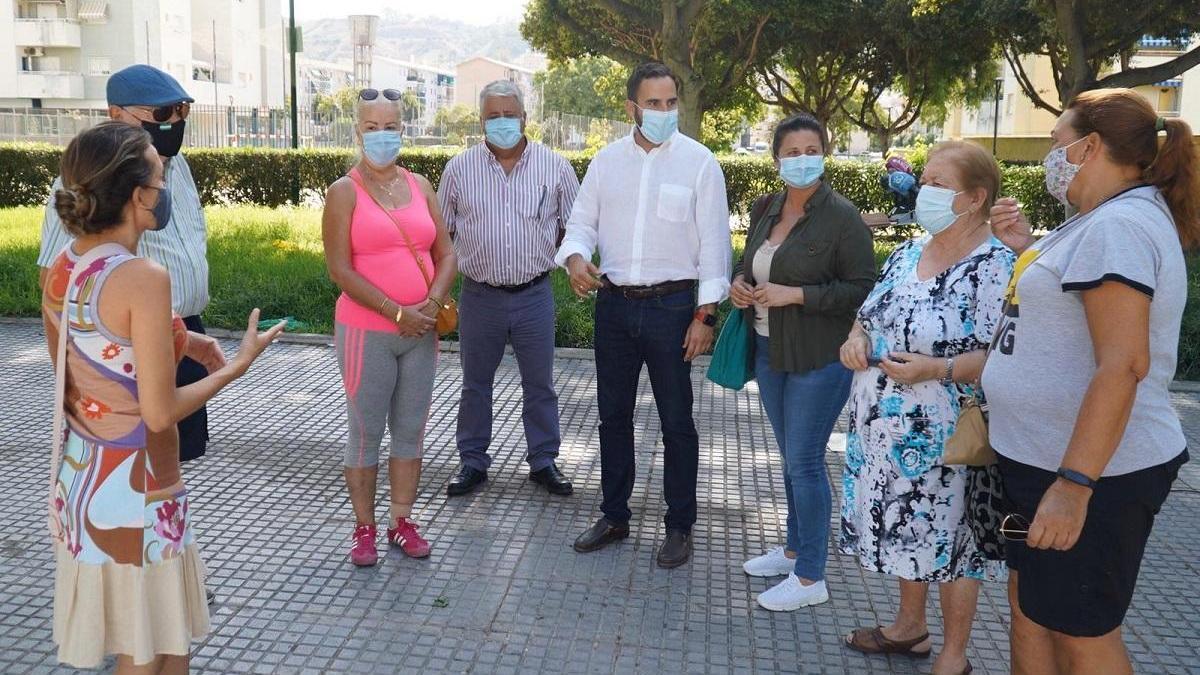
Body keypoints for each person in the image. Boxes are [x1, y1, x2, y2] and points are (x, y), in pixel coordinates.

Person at [43, 121, 282, 673]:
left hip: (86, 479)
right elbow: (160, 410)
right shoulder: (144, 277)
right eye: (158, 170)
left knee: (165, 646)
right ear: (136, 195)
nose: (165, 178)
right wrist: (239, 366)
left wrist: (182, 338)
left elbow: (84, 360)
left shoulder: (66, 266)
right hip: (140, 489)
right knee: (147, 655)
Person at [982, 89, 1195, 675]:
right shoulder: (1098, 222)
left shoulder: (1120, 227)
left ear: (1090, 146)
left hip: (1092, 472)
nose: (1051, 156)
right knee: (1034, 614)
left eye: (1056, 143)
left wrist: (1075, 486)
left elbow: (1124, 363)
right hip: (1041, 460)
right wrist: (1028, 247)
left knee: (1081, 634)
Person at [839, 141, 1015, 675]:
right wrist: (854, 338)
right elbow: (868, 316)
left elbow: (1001, 355)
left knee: (953, 541)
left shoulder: (997, 266)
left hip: (950, 437)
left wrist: (934, 370)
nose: (924, 190)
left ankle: (954, 656)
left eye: (938, 182)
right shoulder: (907, 253)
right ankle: (908, 629)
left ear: (974, 198)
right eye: (926, 178)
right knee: (904, 526)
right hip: (884, 430)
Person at [559, 62, 732, 569]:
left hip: (673, 308)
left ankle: (680, 526)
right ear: (631, 107)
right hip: (614, 306)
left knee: (677, 421)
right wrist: (574, 258)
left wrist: (705, 314)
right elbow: (580, 225)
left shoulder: (700, 164)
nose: (663, 112)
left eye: (670, 102)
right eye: (653, 103)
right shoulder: (606, 163)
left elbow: (715, 247)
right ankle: (614, 515)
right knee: (613, 416)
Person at [731, 113, 876, 611]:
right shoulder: (765, 207)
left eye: (810, 149)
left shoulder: (843, 217)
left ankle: (812, 576)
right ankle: (794, 548)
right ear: (776, 159)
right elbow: (750, 260)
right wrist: (739, 285)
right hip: (770, 350)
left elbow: (862, 289)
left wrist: (796, 294)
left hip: (819, 356)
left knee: (806, 462)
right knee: (791, 458)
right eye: (791, 152)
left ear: (825, 153)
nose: (801, 160)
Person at [39, 64, 214, 464]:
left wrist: (185, 334)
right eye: (162, 114)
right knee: (142, 456)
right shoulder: (84, 184)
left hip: (181, 328)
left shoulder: (177, 165)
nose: (174, 122)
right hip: (123, 338)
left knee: (177, 455)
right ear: (117, 116)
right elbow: (53, 276)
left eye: (181, 111)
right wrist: (69, 378)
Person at [322, 88, 458, 567]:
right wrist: (396, 312)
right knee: (364, 431)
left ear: (404, 129)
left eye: (392, 126)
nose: (384, 135)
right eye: (373, 127)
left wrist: (430, 303)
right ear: (358, 132)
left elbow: (447, 253)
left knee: (411, 430)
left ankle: (402, 521)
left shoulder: (421, 184)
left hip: (421, 331)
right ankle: (364, 529)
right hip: (368, 331)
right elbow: (340, 269)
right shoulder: (343, 192)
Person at [437, 79, 580, 497]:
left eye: (509, 115)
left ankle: (543, 461)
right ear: (481, 121)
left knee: (540, 384)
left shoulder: (555, 167)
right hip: (479, 296)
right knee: (474, 384)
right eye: (493, 116)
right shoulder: (458, 169)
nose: (502, 123)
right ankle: (472, 461)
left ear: (525, 117)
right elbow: (441, 236)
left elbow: (576, 230)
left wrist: (573, 261)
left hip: (535, 295)